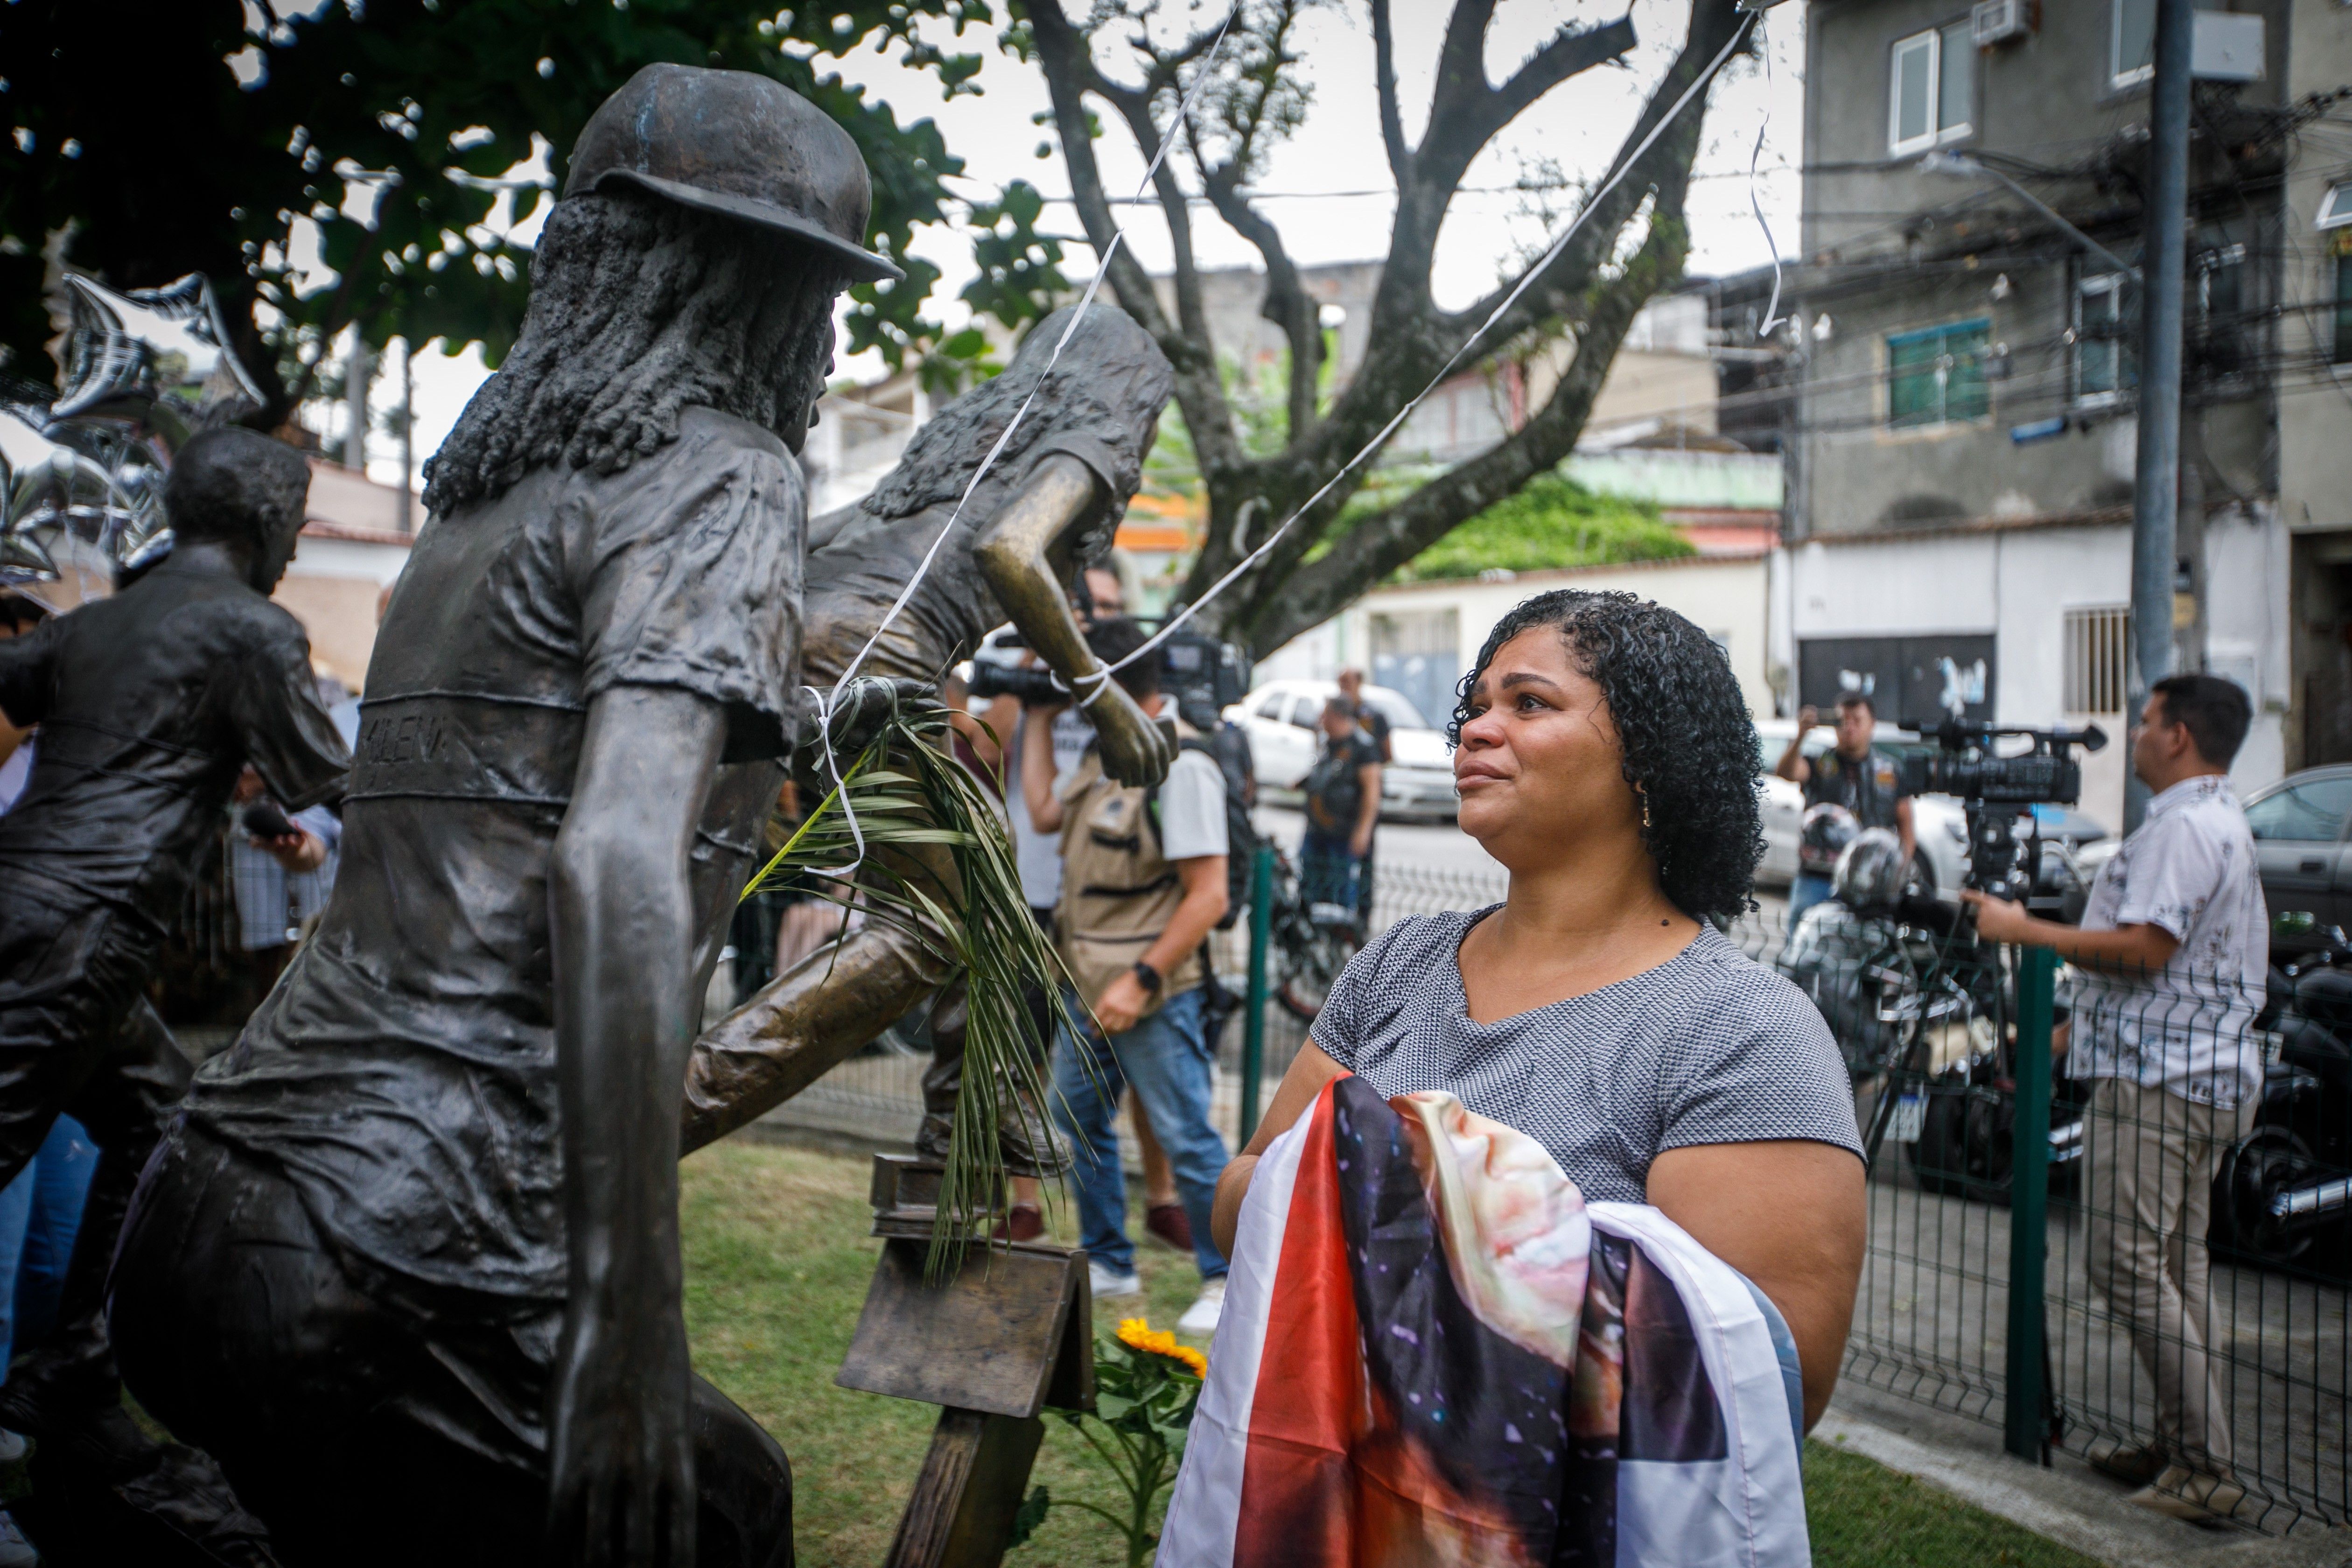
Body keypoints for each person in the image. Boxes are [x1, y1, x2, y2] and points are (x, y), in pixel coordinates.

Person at [111, 64, 892, 1566]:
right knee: (735, 1510)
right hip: (396, 1244)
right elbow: (614, 859)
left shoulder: (474, 510)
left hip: (203, 1213)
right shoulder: (723, 473)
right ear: (794, 299)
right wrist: (624, 1328)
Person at [1213, 589, 1867, 1433]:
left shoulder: (1742, 1033)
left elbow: (1769, 1380)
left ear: (1649, 757)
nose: (1477, 730)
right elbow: (1240, 1197)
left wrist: (1386, 1211)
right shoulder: (1396, 967)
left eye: (1529, 703)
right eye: (1476, 707)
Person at [0, 425, 348, 1468]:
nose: (295, 539)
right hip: (81, 931)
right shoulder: (256, 633)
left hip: (36, 906)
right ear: (262, 520)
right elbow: (333, 780)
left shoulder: (100, 621)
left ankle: (66, 1364)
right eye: (293, 516)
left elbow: (57, 703)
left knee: (159, 1122)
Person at [1963, 673, 2263, 1522]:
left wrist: (2024, 932)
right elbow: (2169, 971)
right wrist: (2061, 1037)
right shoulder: (2218, 819)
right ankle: (2182, 1446)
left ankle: (2207, 1465)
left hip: (2160, 1085)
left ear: (2176, 736)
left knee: (2125, 1266)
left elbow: (2146, 950)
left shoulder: (2183, 828)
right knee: (2175, 1268)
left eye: (2146, 721)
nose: (2134, 734)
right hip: (2196, 1071)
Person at [1023, 616, 1234, 1333]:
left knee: (1186, 1136)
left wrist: (1141, 980)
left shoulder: (1183, 763)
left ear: (1105, 684)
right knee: (1074, 1118)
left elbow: (1210, 895)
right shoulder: (1105, 752)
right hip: (1086, 982)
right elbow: (1045, 814)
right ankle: (1109, 1260)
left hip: (1151, 990)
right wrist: (1037, 720)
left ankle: (1224, 1277)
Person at [1775, 693, 1914, 922]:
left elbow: (1907, 830)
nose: (1849, 727)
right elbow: (1786, 771)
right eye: (1843, 721)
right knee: (1803, 943)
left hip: (1870, 879)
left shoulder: (1890, 770)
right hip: (1819, 875)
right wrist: (1800, 736)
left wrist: (1898, 873)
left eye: (1857, 720)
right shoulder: (1820, 763)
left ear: (1872, 725)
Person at [1299, 695, 1381, 921]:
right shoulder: (1328, 743)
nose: (1321, 720)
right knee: (1312, 889)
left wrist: (1363, 831)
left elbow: (1372, 794)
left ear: (1336, 717)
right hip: (1317, 831)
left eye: (1325, 715)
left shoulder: (1363, 748)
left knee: (1341, 891)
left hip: (1344, 834)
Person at [1333, 666, 1389, 925]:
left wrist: (1369, 769)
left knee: (1364, 858)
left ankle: (1362, 917)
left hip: (1363, 791)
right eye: (1340, 681)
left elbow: (1388, 752)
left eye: (1347, 681)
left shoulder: (1373, 716)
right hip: (1337, 801)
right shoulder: (1334, 713)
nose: (1343, 686)